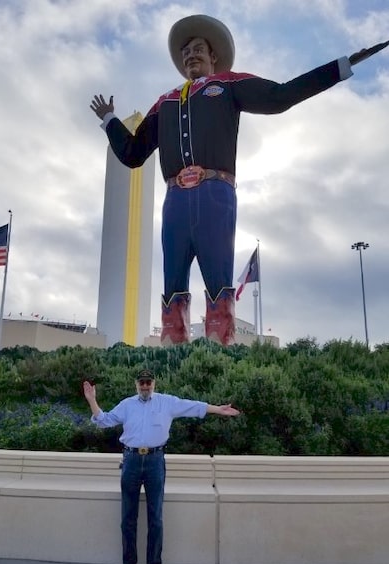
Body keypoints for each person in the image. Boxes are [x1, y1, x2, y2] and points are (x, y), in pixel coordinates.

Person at [90, 14, 381, 347]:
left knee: (218, 282)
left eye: (198, 49)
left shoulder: (228, 84)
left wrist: (340, 67)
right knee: (172, 287)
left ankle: (217, 358)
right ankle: (172, 357)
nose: (190, 56)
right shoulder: (165, 103)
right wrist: (111, 120)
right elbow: (132, 153)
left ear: (213, 56)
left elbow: (279, 96)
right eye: (185, 52)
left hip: (216, 193)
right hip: (175, 201)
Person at [83, 369, 240, 564]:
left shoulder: (167, 402)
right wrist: (91, 400)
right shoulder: (127, 404)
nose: (145, 386)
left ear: (154, 383)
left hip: (155, 461)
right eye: (142, 382)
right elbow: (104, 420)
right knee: (127, 517)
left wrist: (218, 409)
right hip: (130, 461)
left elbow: (192, 406)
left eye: (149, 382)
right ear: (136, 384)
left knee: (155, 517)